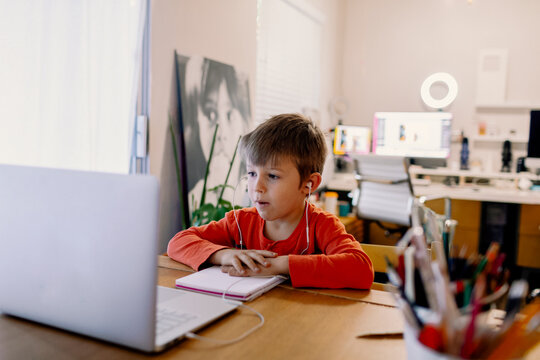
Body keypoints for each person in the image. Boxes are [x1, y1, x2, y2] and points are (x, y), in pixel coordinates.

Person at [167, 113, 374, 289]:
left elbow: (361, 268)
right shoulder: (240, 222)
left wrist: (281, 265)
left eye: (273, 176)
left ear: (308, 184)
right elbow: (178, 242)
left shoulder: (323, 226)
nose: (257, 187)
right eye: (251, 173)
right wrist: (224, 255)